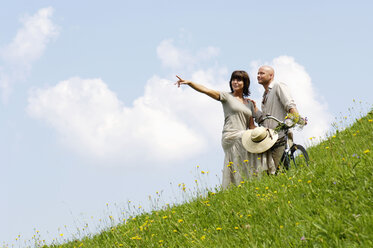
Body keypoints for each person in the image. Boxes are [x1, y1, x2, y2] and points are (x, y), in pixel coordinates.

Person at [175, 71, 266, 189]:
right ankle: (238, 185)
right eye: (233, 79)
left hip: (243, 135)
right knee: (243, 140)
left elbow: (251, 126)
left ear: (245, 83)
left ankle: (253, 182)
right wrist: (190, 83)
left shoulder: (249, 103)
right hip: (231, 135)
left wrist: (263, 133)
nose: (235, 82)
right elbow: (206, 90)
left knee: (258, 145)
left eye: (239, 80)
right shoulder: (226, 96)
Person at [255, 65, 305, 171]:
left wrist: (296, 117)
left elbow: (289, 103)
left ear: (271, 75)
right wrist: (254, 109)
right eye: (258, 73)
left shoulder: (278, 86)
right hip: (269, 138)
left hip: (280, 135)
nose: (258, 75)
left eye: (262, 73)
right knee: (271, 170)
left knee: (279, 169)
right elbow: (265, 118)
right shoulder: (265, 95)